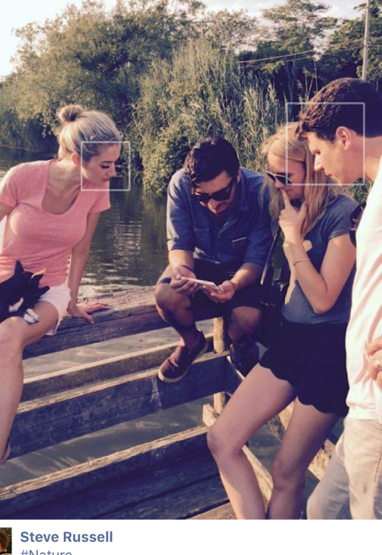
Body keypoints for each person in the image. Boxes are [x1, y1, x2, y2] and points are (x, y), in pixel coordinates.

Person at [0, 104, 121, 519]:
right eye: (106, 165)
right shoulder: (24, 176)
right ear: (76, 158)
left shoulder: (96, 189)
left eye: (115, 163)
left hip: (48, 290)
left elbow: (82, 249)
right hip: (2, 282)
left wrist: (69, 299)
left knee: (6, 337)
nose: (113, 173)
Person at [207, 124, 357, 519]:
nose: (276, 186)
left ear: (316, 168)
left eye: (285, 177)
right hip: (289, 343)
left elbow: (324, 299)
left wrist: (292, 241)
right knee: (222, 438)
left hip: (328, 355)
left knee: (285, 472)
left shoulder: (344, 216)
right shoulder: (283, 205)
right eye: (272, 175)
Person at [297, 78, 382, 520]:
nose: (316, 163)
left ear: (344, 138)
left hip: (379, 409)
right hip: (364, 401)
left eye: (316, 150)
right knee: (322, 512)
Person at [155, 137, 273, 382]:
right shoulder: (180, 184)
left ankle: (240, 347)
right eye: (202, 197)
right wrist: (183, 270)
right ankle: (191, 343)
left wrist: (235, 285)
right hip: (201, 263)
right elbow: (179, 244)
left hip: (243, 271)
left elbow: (256, 260)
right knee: (166, 295)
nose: (212, 204)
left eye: (221, 194)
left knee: (248, 318)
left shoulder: (262, 192)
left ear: (237, 175)